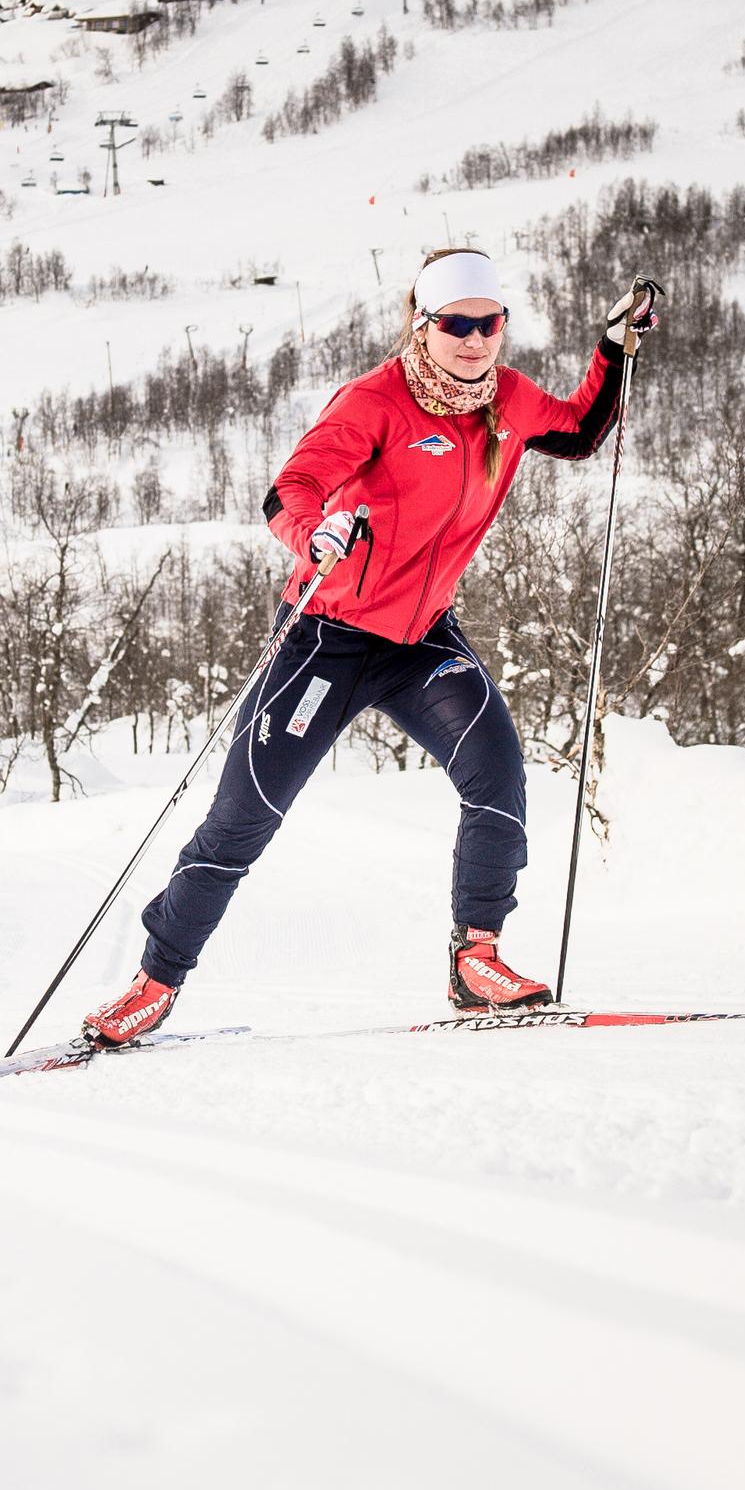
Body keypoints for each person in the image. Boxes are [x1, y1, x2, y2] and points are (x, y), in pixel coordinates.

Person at [82, 247, 657, 1045]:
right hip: (327, 640)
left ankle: (476, 958)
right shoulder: (375, 401)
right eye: (455, 324)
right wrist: (311, 532)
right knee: (244, 817)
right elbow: (292, 488)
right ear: (422, 325)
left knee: (496, 771)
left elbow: (582, 432)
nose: (474, 340)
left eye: (488, 323)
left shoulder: (507, 400)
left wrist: (612, 351)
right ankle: (155, 981)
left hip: (421, 641)